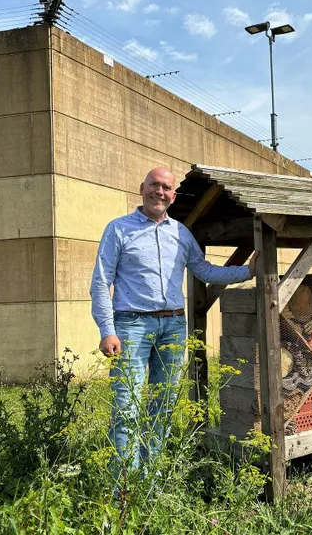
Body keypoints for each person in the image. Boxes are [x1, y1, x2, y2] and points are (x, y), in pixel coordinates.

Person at [90, 167, 257, 476]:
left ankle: (149, 481)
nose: (160, 192)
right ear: (142, 188)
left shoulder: (180, 233)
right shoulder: (118, 229)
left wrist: (248, 271)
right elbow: (101, 282)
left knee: (163, 406)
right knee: (126, 406)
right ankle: (122, 491)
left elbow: (204, 270)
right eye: (155, 185)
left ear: (173, 196)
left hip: (173, 328)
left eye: (166, 188)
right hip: (131, 326)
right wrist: (107, 330)